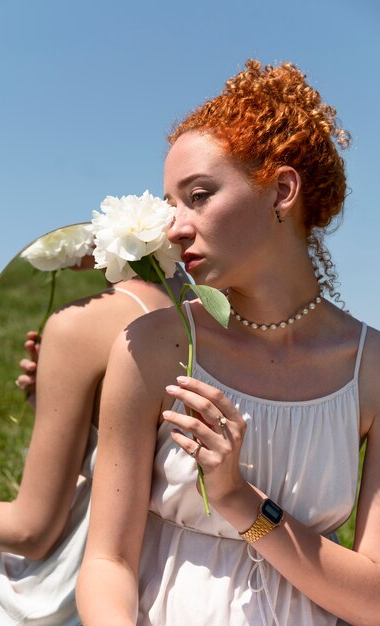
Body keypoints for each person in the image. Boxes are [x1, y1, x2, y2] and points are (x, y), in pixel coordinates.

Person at [76, 60, 380, 626]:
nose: (175, 227)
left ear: (282, 191)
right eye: (171, 206)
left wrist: (239, 499)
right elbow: (106, 560)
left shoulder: (372, 370)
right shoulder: (153, 344)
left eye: (198, 195)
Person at [0, 263, 186, 625]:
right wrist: (66, 412)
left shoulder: (82, 322)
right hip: (188, 570)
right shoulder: (217, 307)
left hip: (93, 587)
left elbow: (30, 532)